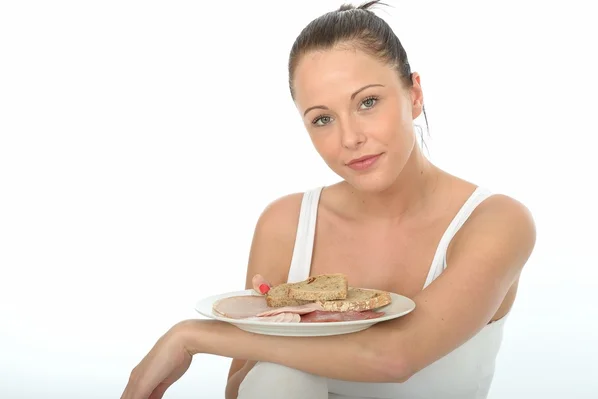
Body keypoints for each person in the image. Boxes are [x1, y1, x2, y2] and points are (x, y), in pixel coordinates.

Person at [120, 2, 536, 398]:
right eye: (322, 119)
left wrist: (191, 336)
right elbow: (242, 389)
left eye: (368, 102)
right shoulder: (286, 223)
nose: (350, 138)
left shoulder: (495, 221)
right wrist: (281, 325)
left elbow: (397, 357)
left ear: (414, 95)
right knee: (279, 377)